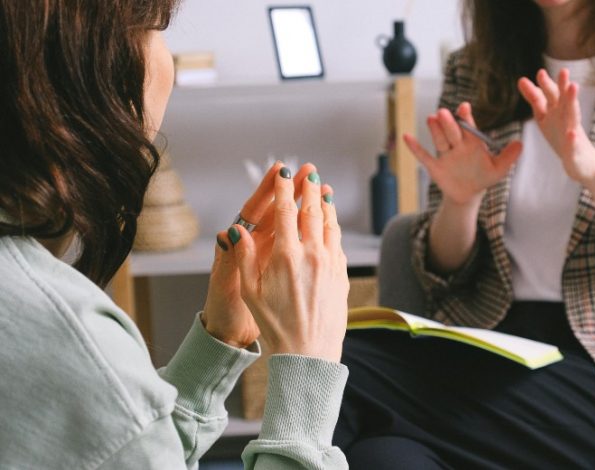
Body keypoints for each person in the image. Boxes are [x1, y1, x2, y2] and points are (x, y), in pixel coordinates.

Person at [333, 0, 595, 468]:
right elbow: (443, 275)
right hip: (486, 347)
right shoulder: (475, 67)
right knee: (383, 459)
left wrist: (592, 169)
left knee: (339, 366)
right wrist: (461, 201)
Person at [0, 1, 350, 469]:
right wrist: (310, 368)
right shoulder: (74, 340)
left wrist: (219, 341)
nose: (168, 63)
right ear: (82, 65)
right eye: (156, 31)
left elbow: (118, 450)